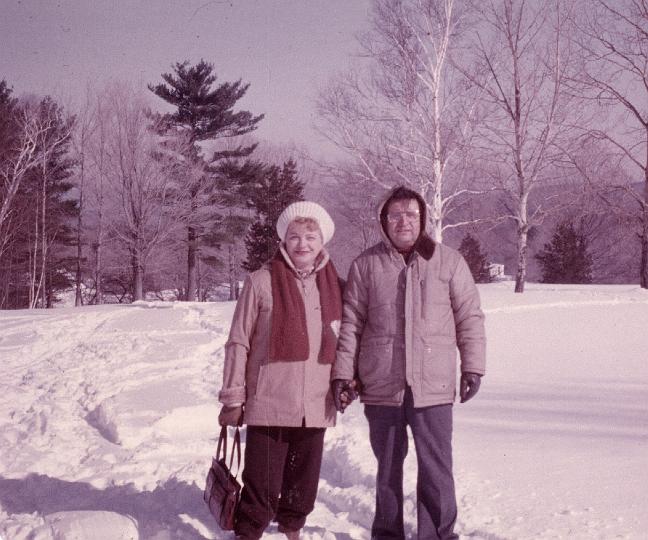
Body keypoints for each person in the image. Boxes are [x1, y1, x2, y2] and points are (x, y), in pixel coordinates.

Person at [331, 186, 486, 540]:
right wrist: (343, 374)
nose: (404, 221)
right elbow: (351, 324)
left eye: (411, 215)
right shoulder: (366, 265)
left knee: (436, 469)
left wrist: (473, 367)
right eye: (395, 215)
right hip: (382, 384)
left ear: (423, 219)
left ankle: (438, 535)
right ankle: (388, 534)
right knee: (387, 470)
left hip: (432, 386)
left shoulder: (448, 262)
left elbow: (470, 318)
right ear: (384, 221)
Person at [218, 201, 342, 540]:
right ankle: (248, 532)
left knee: (303, 481)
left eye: (310, 237)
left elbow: (345, 340)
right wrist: (232, 397)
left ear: (322, 242)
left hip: (317, 402)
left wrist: (347, 381)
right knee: (261, 483)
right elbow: (238, 342)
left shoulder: (335, 286)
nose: (302, 244)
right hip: (269, 401)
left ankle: (292, 529)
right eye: (295, 236)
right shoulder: (261, 281)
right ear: (283, 240)